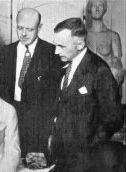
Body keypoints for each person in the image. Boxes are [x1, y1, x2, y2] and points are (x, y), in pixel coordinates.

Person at [51, 17, 125, 172]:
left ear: (80, 44)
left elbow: (114, 118)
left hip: (86, 161)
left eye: (61, 46)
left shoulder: (99, 70)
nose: (56, 51)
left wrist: (89, 146)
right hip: (63, 157)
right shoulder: (62, 64)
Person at [0, 8, 63, 161]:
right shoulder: (5, 52)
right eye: (20, 28)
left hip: (38, 125)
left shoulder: (52, 54)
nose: (24, 34)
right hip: (10, 121)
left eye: (29, 29)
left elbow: (56, 95)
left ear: (40, 28)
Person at [85, 0, 124, 85]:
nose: (97, 9)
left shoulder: (113, 36)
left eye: (100, 6)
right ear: (89, 9)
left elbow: (118, 65)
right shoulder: (83, 36)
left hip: (106, 84)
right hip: (87, 84)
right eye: (93, 6)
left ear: (104, 9)